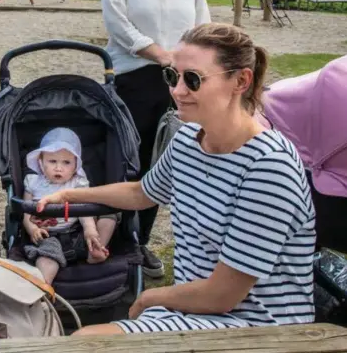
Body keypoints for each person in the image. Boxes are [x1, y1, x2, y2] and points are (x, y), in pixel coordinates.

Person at [38, 22, 316, 336]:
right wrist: (68, 196)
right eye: (172, 75)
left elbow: (223, 294)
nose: (177, 91)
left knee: (85, 341)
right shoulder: (187, 140)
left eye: (193, 80)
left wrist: (151, 297)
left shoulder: (268, 167)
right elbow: (141, 193)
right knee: (83, 343)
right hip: (198, 311)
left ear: (241, 80)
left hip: (257, 327)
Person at [101, 0, 211, 278]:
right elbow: (118, 26)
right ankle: (112, 240)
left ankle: (140, 243)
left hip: (181, 81)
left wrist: (194, 65)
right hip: (135, 77)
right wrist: (163, 55)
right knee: (129, 162)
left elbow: (203, 28)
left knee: (165, 164)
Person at [22, 127, 121, 284]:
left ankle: (95, 249)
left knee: (110, 216)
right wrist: (32, 229)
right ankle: (44, 286)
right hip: (48, 236)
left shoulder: (78, 183)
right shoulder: (33, 183)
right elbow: (26, 212)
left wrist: (90, 230)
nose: (58, 167)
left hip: (79, 234)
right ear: (41, 163)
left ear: (76, 165)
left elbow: (85, 211)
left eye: (66, 162)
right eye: (52, 161)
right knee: (47, 257)